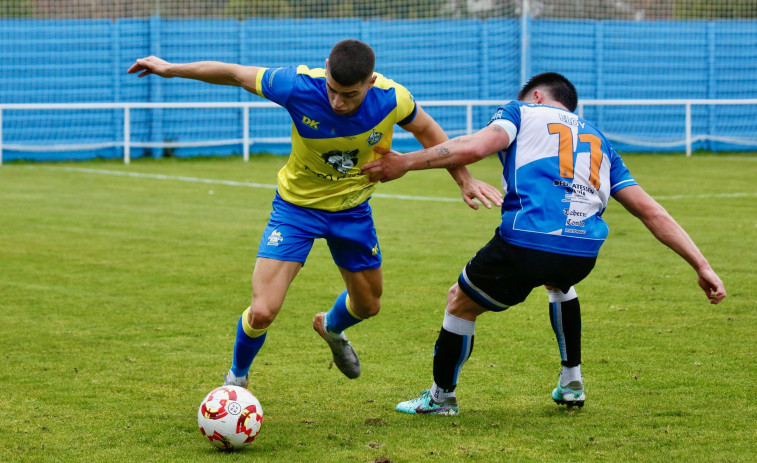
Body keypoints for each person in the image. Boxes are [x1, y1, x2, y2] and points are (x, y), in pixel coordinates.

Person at [127, 39, 502, 388]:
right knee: (262, 311)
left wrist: (464, 179)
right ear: (326, 71)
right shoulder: (297, 85)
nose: (338, 102)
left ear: (370, 82)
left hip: (352, 212)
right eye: (333, 90)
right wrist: (169, 68)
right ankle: (235, 381)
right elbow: (234, 72)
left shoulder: (392, 98)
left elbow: (430, 132)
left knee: (369, 305)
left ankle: (331, 327)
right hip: (296, 210)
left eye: (350, 94)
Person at [362, 72, 726, 414]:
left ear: (537, 96)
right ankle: (572, 382)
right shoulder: (599, 139)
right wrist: (702, 265)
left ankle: (441, 398)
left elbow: (476, 147)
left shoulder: (521, 111)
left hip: (527, 242)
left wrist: (407, 161)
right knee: (560, 282)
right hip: (582, 252)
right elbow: (652, 212)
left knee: (460, 301)